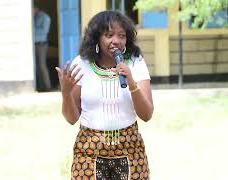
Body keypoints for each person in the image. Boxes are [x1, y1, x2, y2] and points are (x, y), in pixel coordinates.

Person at [55, 10, 154, 180]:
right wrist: (65, 93)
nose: (116, 41)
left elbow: (146, 115)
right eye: (109, 35)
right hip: (89, 152)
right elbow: (71, 119)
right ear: (97, 39)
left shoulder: (135, 62)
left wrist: (131, 81)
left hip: (130, 150)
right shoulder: (81, 63)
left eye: (122, 36)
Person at [33, 3, 51, 91]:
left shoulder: (45, 17)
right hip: (34, 44)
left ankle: (47, 87)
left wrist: (32, 30)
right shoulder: (34, 17)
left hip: (41, 44)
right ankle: (40, 87)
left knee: (42, 65)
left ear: (36, 8)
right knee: (36, 66)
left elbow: (44, 31)